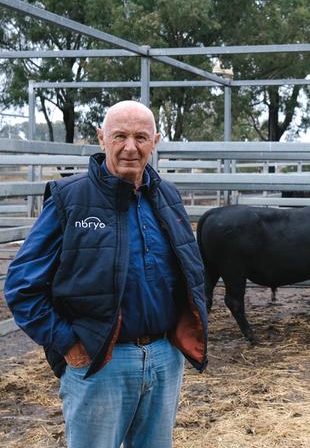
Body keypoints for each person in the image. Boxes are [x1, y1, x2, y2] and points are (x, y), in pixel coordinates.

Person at [4, 100, 208, 448]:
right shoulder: (71, 199)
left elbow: (190, 273)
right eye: (120, 136)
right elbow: (22, 285)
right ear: (102, 139)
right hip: (101, 363)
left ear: (155, 141)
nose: (131, 147)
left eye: (141, 137)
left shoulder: (167, 197)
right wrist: (67, 343)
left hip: (163, 358)